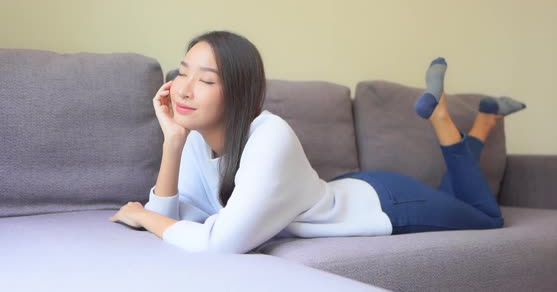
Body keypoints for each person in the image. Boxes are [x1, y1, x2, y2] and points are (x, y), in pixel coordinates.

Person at [109, 30, 527, 253]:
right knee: (453, 195)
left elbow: (218, 243)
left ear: (237, 92)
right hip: (357, 187)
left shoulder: (271, 136)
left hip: (388, 205)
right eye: (182, 72)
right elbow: (173, 212)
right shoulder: (198, 140)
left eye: (205, 80)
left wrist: (147, 218)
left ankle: (442, 117)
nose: (182, 89)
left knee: (486, 217)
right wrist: (174, 141)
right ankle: (484, 122)